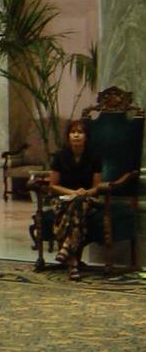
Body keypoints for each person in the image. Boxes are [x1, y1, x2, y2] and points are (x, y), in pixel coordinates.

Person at [49, 119, 102, 280]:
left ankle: (68, 253)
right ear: (68, 136)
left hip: (87, 200)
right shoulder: (59, 156)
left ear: (86, 137)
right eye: (73, 132)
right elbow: (53, 185)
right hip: (64, 198)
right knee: (74, 208)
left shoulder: (94, 157)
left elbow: (97, 188)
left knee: (78, 204)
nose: (76, 135)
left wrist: (83, 193)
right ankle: (72, 260)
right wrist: (72, 193)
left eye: (80, 132)